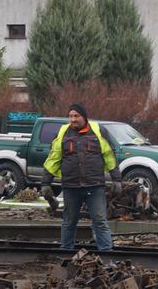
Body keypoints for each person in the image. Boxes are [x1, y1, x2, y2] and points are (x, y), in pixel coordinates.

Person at [41, 103, 122, 251]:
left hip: (95, 185)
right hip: (71, 186)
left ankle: (107, 256)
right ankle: (66, 254)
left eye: (76, 116)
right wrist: (46, 183)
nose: (73, 119)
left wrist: (117, 180)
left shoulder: (98, 131)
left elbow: (109, 156)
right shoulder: (63, 132)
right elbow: (53, 159)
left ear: (84, 117)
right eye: (71, 116)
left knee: (100, 221)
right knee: (69, 221)